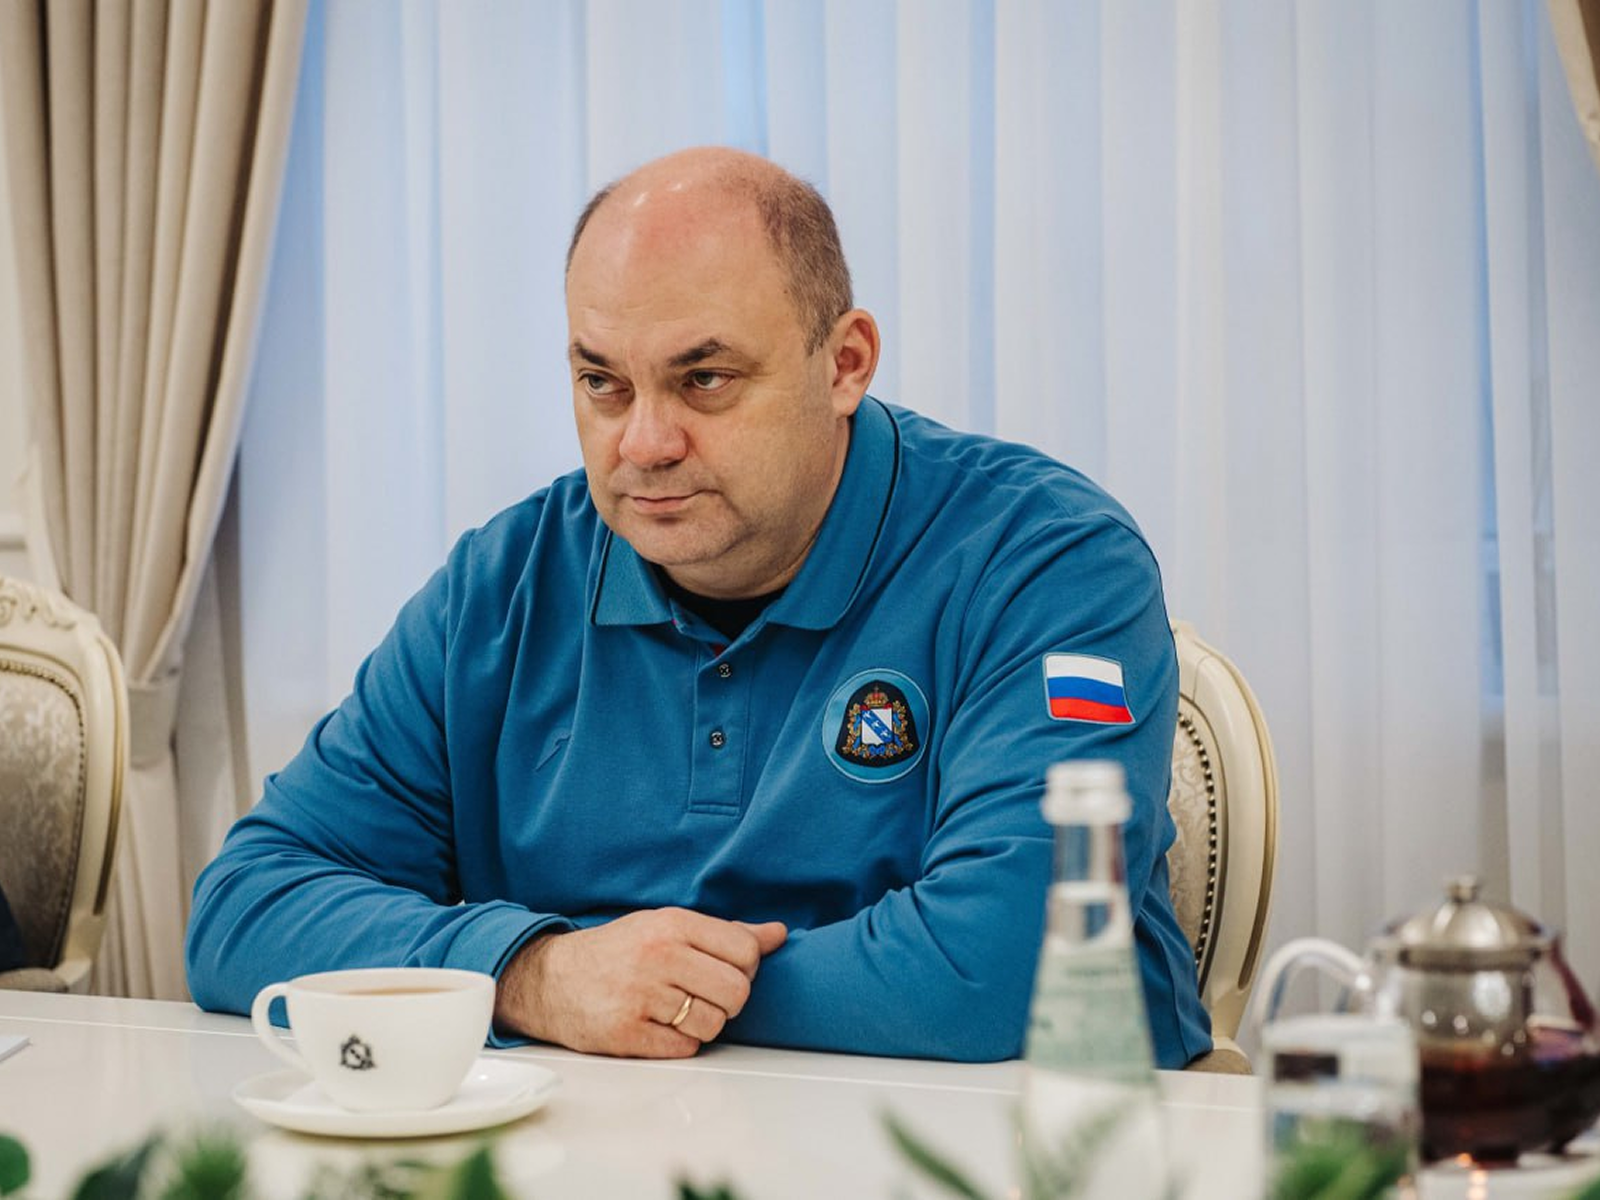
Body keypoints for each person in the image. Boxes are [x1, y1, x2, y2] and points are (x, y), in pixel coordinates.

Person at [186, 146, 1211, 1067]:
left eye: (705, 378)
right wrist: (537, 975)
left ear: (845, 363)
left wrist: (645, 991)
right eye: (602, 382)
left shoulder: (1048, 561)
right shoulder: (502, 587)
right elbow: (245, 908)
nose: (644, 444)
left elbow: (1009, 967)